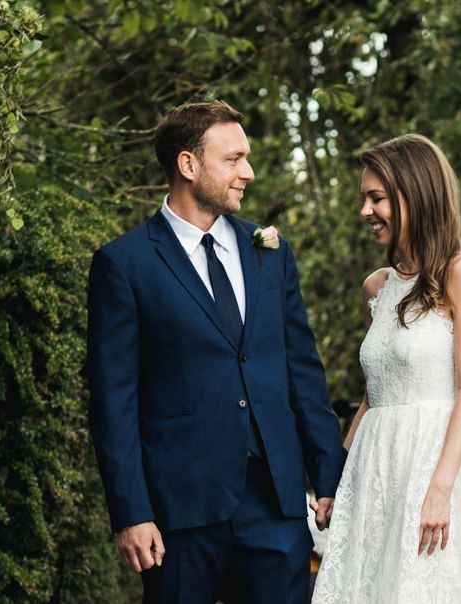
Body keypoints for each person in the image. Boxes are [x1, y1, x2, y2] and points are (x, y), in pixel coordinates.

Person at [87, 100, 346, 603]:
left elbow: (302, 372)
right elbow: (112, 400)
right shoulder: (124, 264)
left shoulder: (271, 250)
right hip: (179, 511)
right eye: (233, 159)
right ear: (188, 165)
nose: (248, 172)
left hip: (276, 503)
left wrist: (328, 475)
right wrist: (131, 512)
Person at [311, 134, 461, 603]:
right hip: (375, 467)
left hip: (438, 461)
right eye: (363, 199)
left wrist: (439, 489)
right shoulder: (377, 287)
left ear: (417, 194)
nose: (365, 211)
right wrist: (337, 477)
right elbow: (374, 395)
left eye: (377, 198)